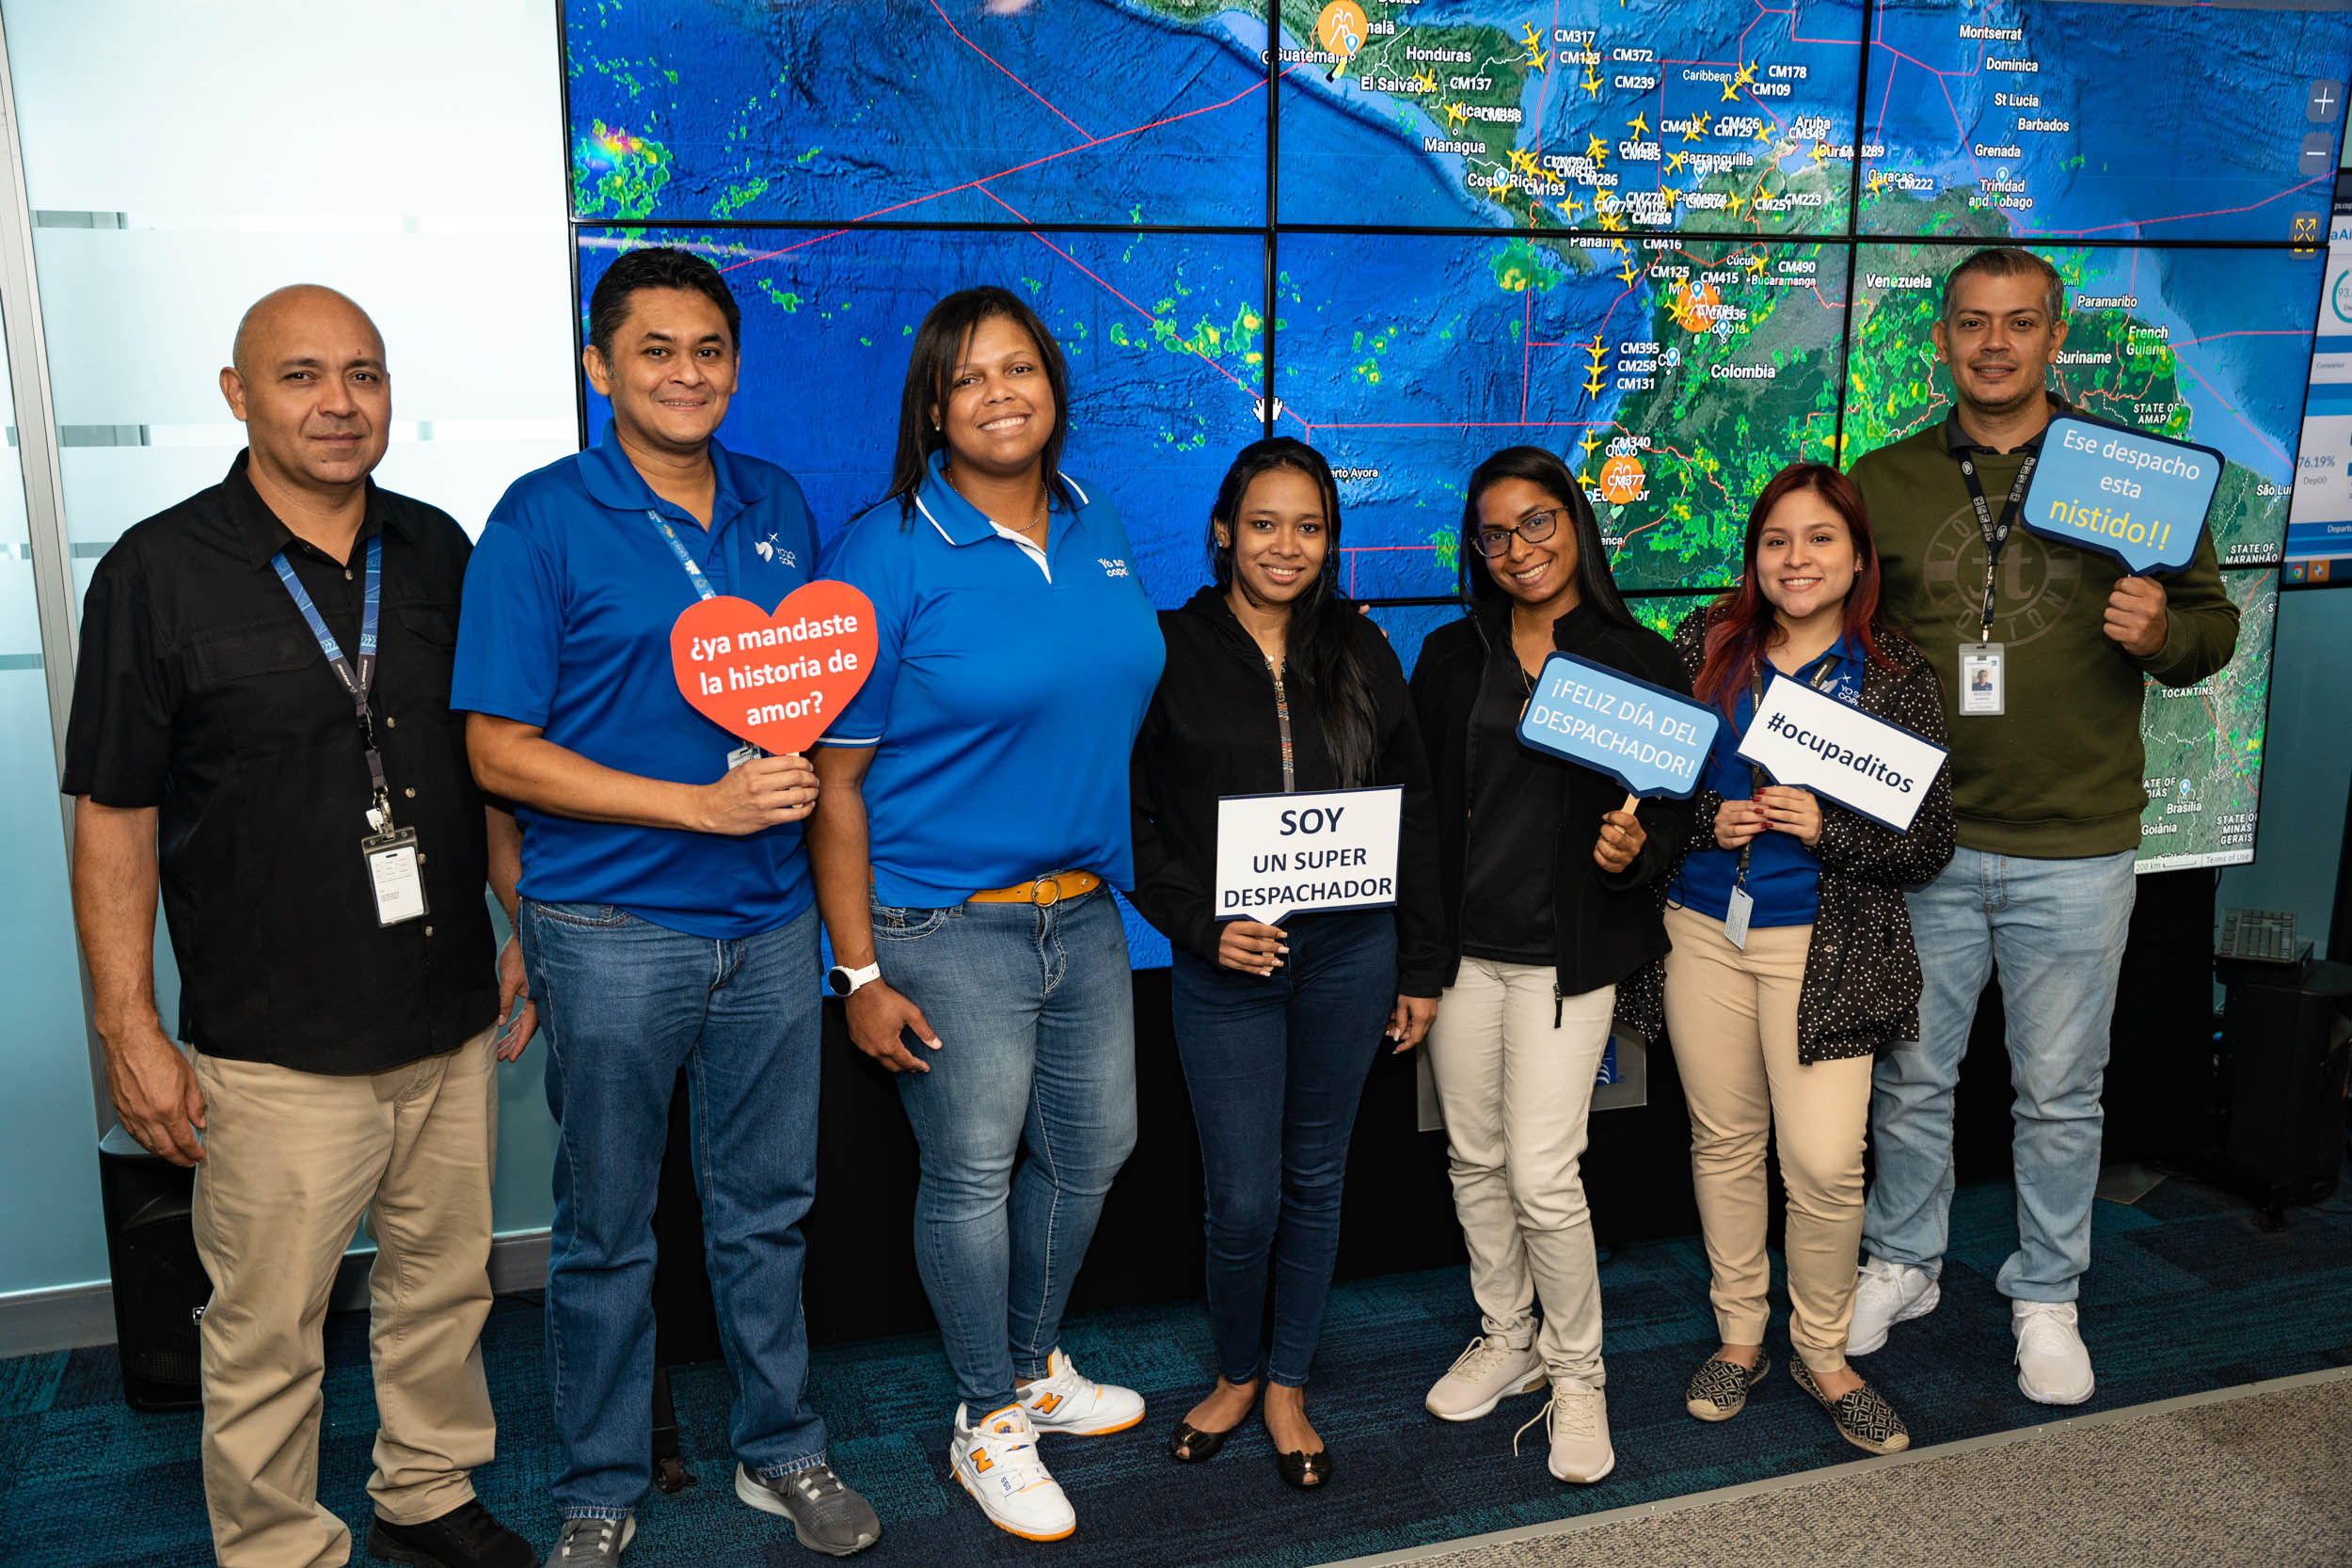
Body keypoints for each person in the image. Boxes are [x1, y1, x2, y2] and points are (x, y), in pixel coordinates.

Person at [62, 285, 537, 1568]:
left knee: (443, 1281)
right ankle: (276, 1542)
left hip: (444, 1015)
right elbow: (112, 809)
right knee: (268, 1321)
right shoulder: (157, 573)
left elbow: (488, 763)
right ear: (237, 394)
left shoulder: (440, 551)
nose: (340, 402)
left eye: (365, 374)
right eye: (303, 376)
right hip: (273, 1041)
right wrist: (128, 1025)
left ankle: (426, 1488)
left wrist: (522, 919)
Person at [453, 246, 879, 1563]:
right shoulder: (540, 518)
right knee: (606, 1228)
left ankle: (783, 1448)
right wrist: (693, 805)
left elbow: (797, 705)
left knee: (765, 1206)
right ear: (601, 366)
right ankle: (599, 1481)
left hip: (767, 926)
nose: (685, 374)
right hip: (609, 928)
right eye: (655, 350)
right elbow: (496, 752)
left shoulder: (779, 502)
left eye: (708, 351)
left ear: (734, 367)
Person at [1847, 246, 2240, 1403]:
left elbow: (2209, 633)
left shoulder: (2135, 478)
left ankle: (2046, 1292)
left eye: (2019, 324)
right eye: (1973, 324)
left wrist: (2161, 628)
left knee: (2060, 1090)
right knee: (1912, 1078)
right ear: (1942, 340)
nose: (1995, 344)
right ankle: (1904, 1260)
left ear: (2054, 338)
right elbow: (1839, 635)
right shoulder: (1885, 477)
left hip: (2078, 842)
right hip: (1926, 839)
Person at [807, 286, 1166, 1543]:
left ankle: (1028, 1364)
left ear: (1054, 387)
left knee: (1094, 1148)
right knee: (968, 1173)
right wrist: (855, 971)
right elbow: (834, 784)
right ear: (933, 408)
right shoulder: (886, 550)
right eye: (969, 378)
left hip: (1084, 914)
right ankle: (983, 1417)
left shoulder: (1096, 519)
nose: (999, 393)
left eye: (1020, 368)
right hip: (940, 922)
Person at [1127, 437, 1444, 1489]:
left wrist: (1418, 963)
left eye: (1309, 526)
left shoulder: (1361, 648)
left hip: (1351, 956)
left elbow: (1414, 815)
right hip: (1228, 964)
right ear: (1222, 530)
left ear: (1330, 540)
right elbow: (1134, 819)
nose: (1285, 545)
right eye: (1263, 523)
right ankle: (1232, 1367)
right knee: (1244, 1196)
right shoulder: (1165, 646)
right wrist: (1197, 922)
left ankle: (1288, 1381)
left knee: (1316, 1176)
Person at [1407, 447, 1693, 1484]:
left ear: (1574, 523)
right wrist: (1420, 958)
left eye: (1537, 522)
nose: (1517, 547)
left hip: (1566, 958)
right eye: (1494, 532)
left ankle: (1579, 1374)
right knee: (1474, 1160)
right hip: (1463, 957)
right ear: (1474, 547)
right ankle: (1507, 1334)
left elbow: (1668, 814)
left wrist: (1635, 851)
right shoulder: (1448, 653)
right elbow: (1423, 815)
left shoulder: (1639, 657)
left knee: (1541, 1172)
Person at [1661, 463, 1955, 1456]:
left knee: (1825, 1164)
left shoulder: (1895, 673)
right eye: (1777, 539)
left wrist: (1826, 826)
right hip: (1703, 929)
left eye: (1819, 538)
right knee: (1724, 1142)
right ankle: (1739, 1334)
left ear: (1857, 556)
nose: (1796, 558)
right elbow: (1657, 788)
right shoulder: (1706, 645)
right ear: (1754, 556)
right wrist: (1712, 816)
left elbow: (1926, 845)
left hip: (1823, 948)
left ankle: (1821, 1349)